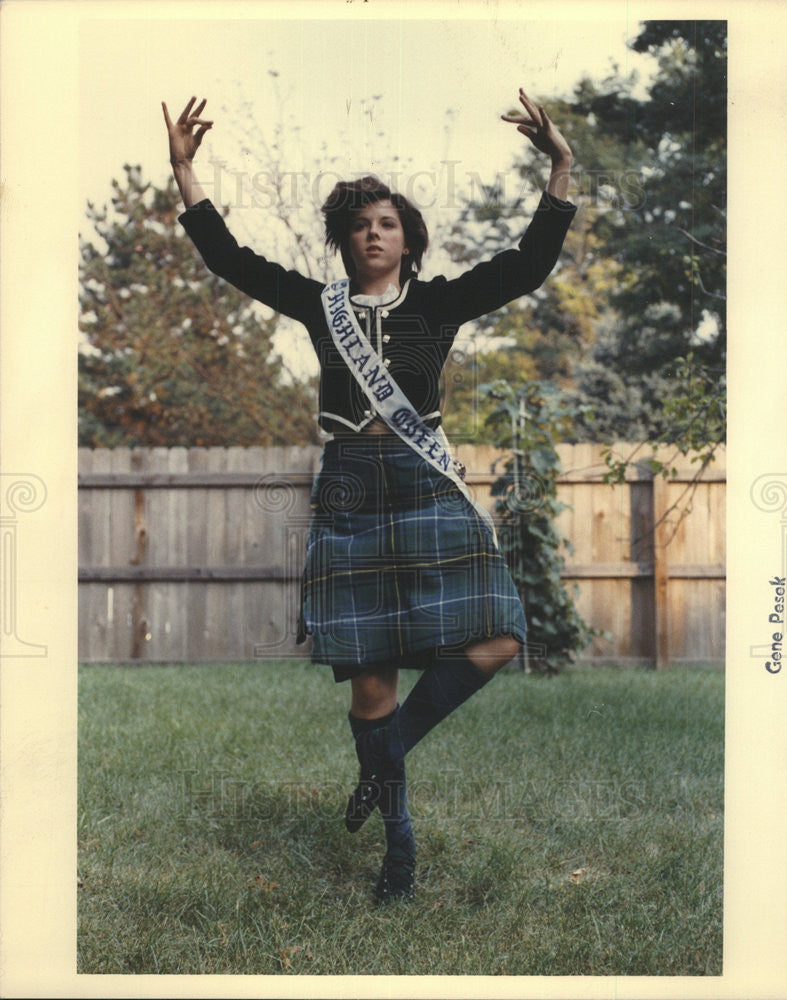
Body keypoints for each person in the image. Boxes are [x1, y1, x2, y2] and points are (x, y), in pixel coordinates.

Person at [162, 91, 576, 904]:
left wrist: (560, 165)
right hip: (350, 486)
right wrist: (184, 169)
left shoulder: (439, 304)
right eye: (360, 225)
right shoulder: (320, 307)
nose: (374, 233)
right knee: (371, 682)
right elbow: (232, 261)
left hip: (423, 481)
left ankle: (385, 763)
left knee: (495, 638)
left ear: (407, 239)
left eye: (387, 222)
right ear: (345, 241)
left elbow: (528, 264)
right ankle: (398, 850)